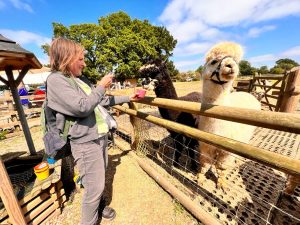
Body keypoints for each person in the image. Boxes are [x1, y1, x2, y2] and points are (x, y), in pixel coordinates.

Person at [46, 37, 140, 225]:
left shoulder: (79, 80)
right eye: (80, 59)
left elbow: (101, 101)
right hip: (85, 142)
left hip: (99, 137)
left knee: (97, 180)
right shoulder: (56, 80)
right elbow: (82, 107)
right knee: (93, 188)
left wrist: (129, 97)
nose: (84, 63)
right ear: (67, 57)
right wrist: (101, 86)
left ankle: (99, 207)